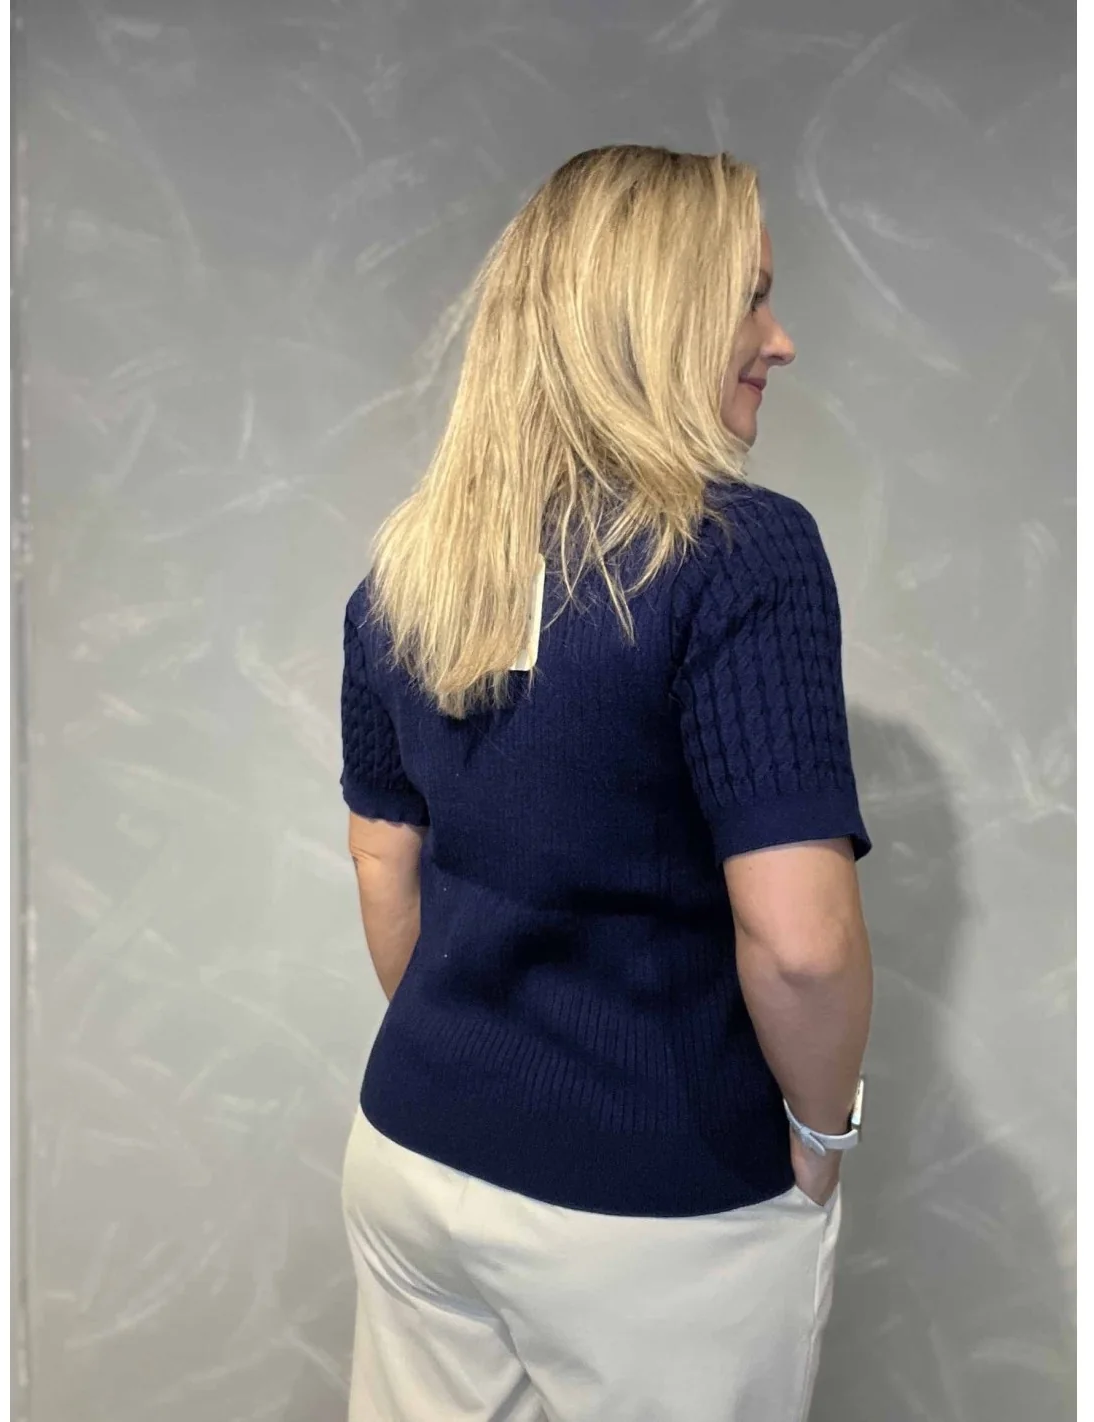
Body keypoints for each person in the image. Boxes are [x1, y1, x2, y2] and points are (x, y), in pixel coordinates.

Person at [337, 144, 874, 1422]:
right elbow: (802, 947)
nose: (780, 340)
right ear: (653, 314)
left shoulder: (406, 573)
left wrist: (482, 1063)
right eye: (748, 298)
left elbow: (380, 861)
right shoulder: (741, 556)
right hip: (652, 1210)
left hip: (412, 1154)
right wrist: (821, 1135)